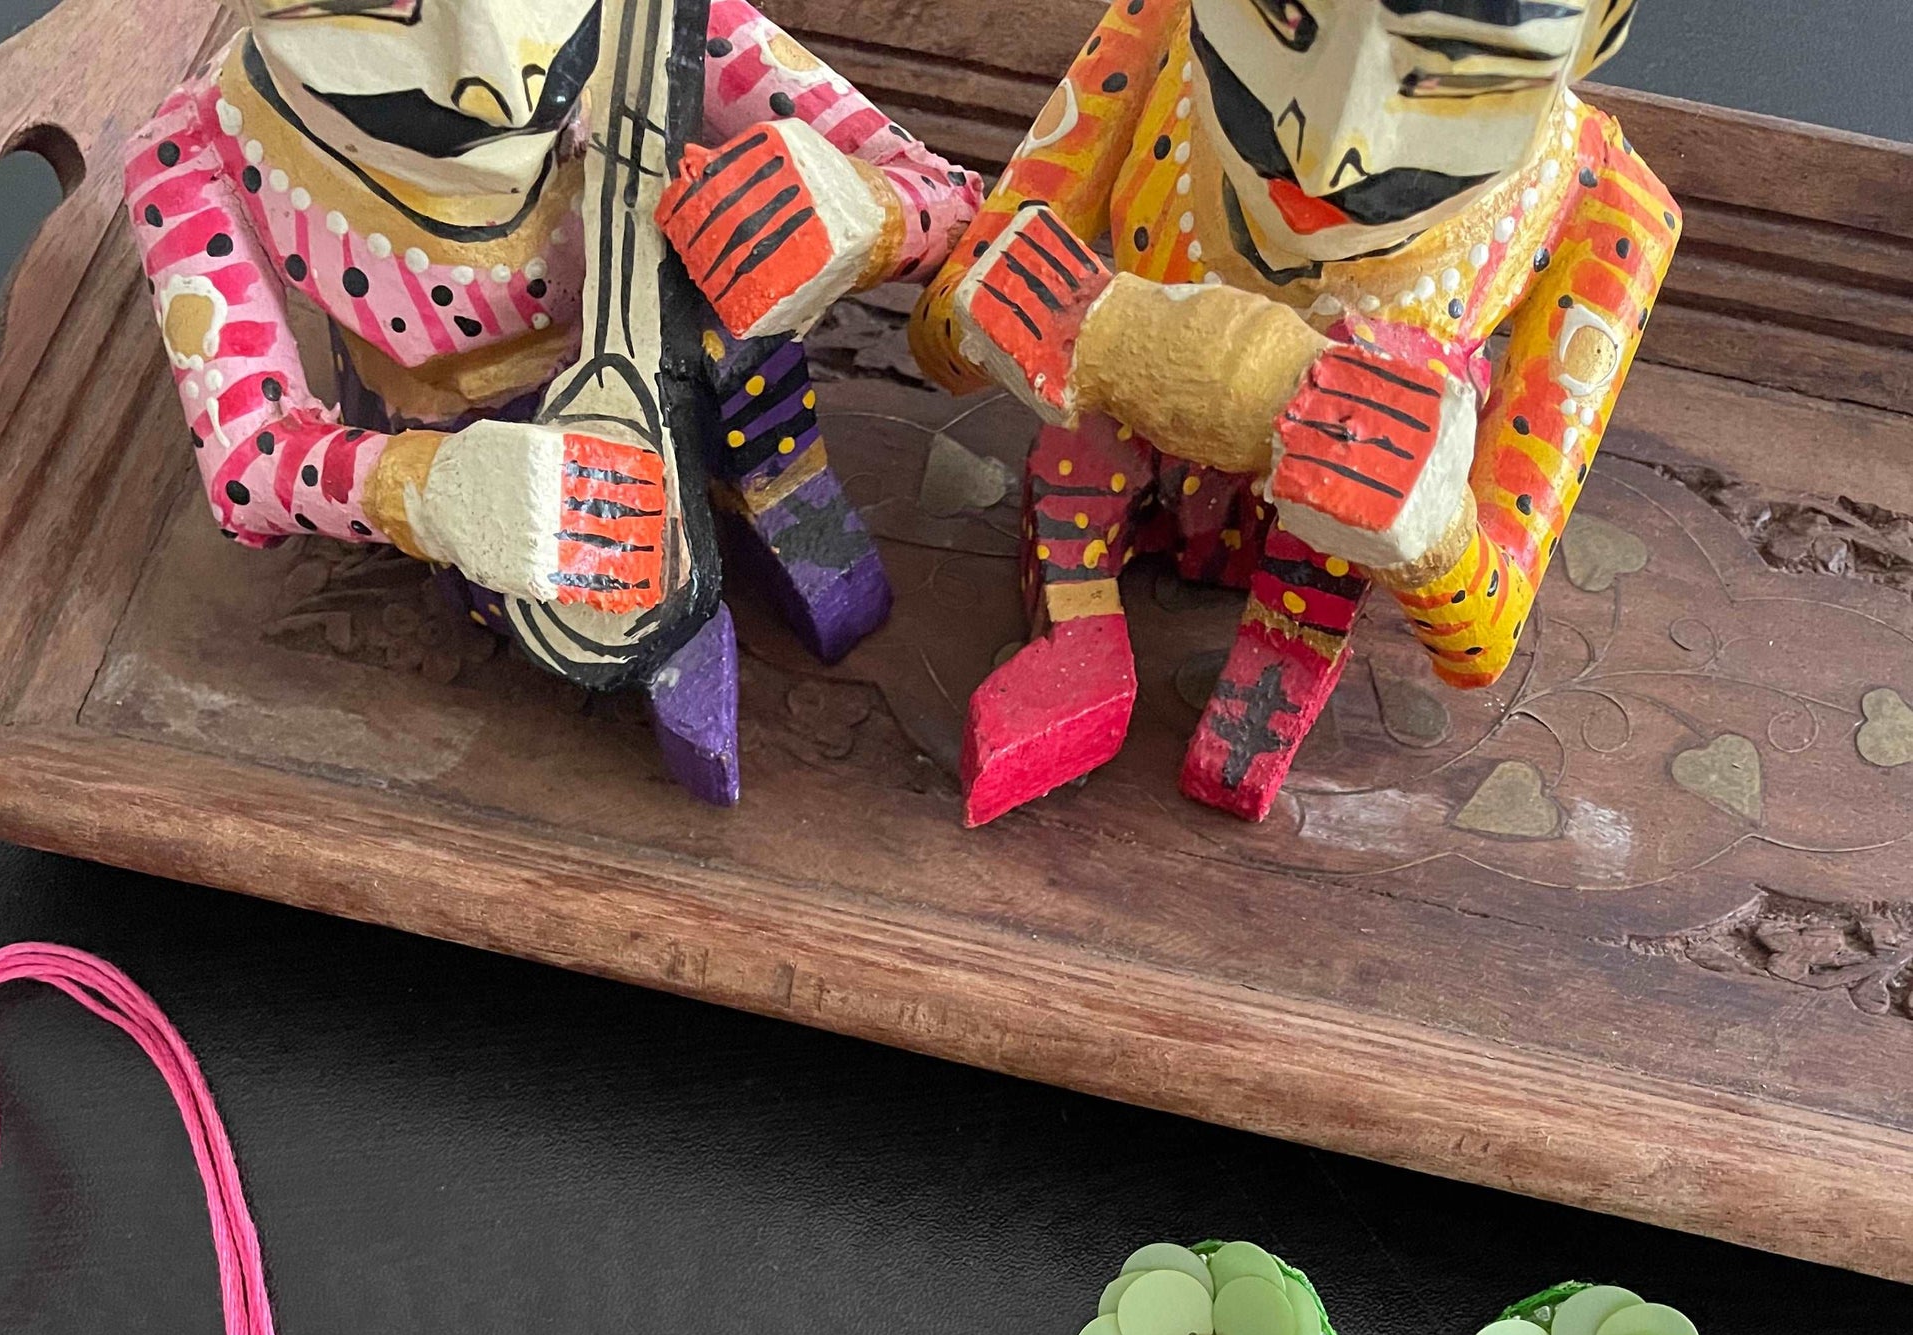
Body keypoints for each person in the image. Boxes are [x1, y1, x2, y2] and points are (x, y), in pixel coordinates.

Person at [125, 0, 982, 799]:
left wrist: (859, 213)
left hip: (713, 354)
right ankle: (657, 648)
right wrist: (425, 489)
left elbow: (946, 196)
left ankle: (785, 507)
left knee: (753, 377)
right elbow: (246, 459)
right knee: (588, 599)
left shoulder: (664, 23)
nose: (506, 84)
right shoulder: (201, 148)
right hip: (491, 453)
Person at [910, 0, 1677, 826]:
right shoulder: (1159, 23)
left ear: (1598, 32)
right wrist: (1064, 322)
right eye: (1278, 14)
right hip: (1097, 459)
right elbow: (944, 333)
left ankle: (1265, 683)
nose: (1327, 153)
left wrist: (1433, 525)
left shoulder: (1605, 208)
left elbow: (1483, 636)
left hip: (1322, 546)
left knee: (1276, 666)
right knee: (1078, 468)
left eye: (1454, 74)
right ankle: (1076, 638)